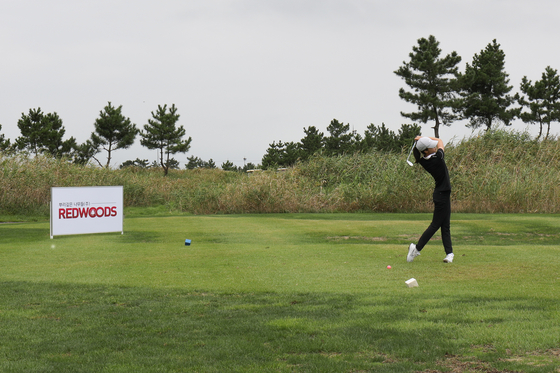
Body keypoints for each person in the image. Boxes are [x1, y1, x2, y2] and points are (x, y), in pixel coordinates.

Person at [407, 136, 454, 263]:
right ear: (426, 151)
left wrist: (421, 141)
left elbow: (436, 144)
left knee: (445, 225)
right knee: (435, 225)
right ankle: (416, 249)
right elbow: (440, 141)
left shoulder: (424, 160)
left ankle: (449, 254)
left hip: (442, 194)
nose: (435, 147)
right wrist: (422, 138)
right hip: (441, 195)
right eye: (431, 146)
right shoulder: (437, 158)